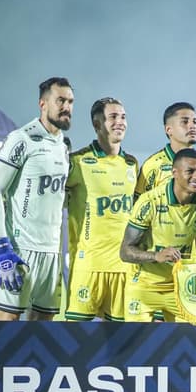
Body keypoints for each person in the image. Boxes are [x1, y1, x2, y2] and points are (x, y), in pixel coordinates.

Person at [0, 77, 73, 321]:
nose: (67, 107)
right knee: (4, 325)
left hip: (51, 253)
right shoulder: (21, 139)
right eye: (61, 101)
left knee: (42, 331)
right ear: (42, 104)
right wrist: (2, 248)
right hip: (19, 251)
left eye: (70, 101)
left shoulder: (63, 146)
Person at [119, 149, 196, 322]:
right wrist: (156, 256)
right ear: (174, 173)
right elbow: (125, 251)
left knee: (185, 343)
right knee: (139, 346)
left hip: (179, 286)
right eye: (190, 171)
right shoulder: (149, 202)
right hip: (143, 287)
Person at [64, 97, 138, 321]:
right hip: (88, 266)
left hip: (124, 267)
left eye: (123, 117)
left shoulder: (131, 164)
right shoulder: (78, 162)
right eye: (113, 117)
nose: (120, 122)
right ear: (97, 125)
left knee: (121, 343)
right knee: (75, 341)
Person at [134, 102, 196, 197]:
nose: (192, 126)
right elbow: (139, 205)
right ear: (168, 129)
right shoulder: (153, 165)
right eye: (185, 122)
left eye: (195, 122)